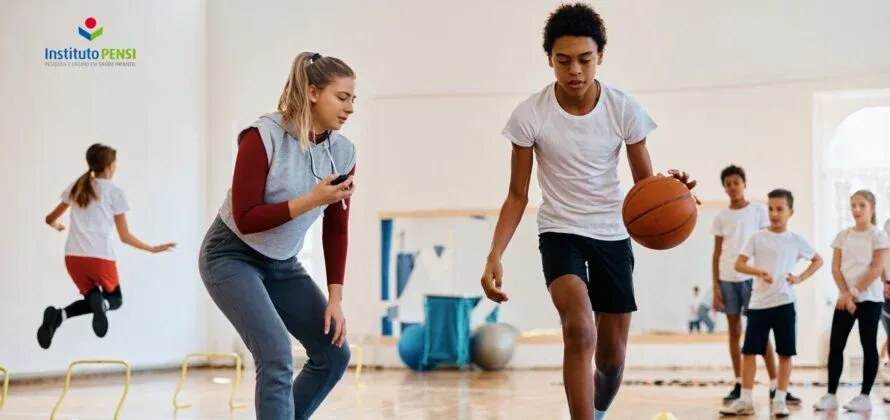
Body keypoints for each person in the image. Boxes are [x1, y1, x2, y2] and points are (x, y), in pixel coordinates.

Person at [478, 4, 697, 419]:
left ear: (601, 56)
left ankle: (596, 412)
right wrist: (495, 254)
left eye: (584, 59)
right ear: (549, 60)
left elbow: (645, 187)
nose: (574, 70)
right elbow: (517, 194)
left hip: (613, 232)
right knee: (579, 329)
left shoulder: (623, 109)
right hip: (560, 231)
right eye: (563, 61)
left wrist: (674, 191)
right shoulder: (530, 115)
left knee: (612, 359)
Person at [198, 51, 356, 419]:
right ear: (314, 93)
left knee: (333, 353)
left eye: (353, 99)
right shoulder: (262, 136)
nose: (350, 108)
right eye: (342, 97)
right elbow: (247, 217)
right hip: (231, 255)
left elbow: (337, 226)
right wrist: (311, 199)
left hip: (282, 263)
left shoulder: (344, 152)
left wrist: (336, 297)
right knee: (275, 353)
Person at [37, 143, 176, 349]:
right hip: (100, 258)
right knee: (115, 300)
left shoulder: (77, 186)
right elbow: (125, 236)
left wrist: (58, 227)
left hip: (73, 258)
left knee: (93, 295)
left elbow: (50, 218)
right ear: (110, 166)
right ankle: (100, 304)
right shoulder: (115, 192)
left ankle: (58, 316)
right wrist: (152, 248)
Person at [719, 189, 823, 417]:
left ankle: (780, 400)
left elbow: (818, 260)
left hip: (785, 304)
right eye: (771, 209)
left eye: (779, 209)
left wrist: (799, 278)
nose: (774, 214)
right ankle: (745, 400)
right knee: (749, 353)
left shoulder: (796, 240)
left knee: (785, 354)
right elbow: (739, 264)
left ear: (790, 212)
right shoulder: (757, 237)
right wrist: (758, 271)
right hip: (758, 305)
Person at [711, 165, 792, 404]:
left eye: (736, 182)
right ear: (724, 188)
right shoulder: (721, 217)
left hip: (752, 278)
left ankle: (775, 383)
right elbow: (716, 254)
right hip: (728, 278)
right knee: (734, 331)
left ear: (744, 184)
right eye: (728, 184)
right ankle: (739, 382)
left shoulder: (758, 211)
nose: (732, 187)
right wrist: (715, 286)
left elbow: (769, 241)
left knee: (760, 330)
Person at [813, 190, 889, 413]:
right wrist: (845, 295)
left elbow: (876, 269)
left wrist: (853, 293)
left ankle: (864, 396)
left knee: (868, 346)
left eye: (861, 205)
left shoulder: (879, 236)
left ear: (871, 208)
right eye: (853, 205)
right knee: (836, 345)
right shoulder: (843, 236)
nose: (856, 210)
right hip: (845, 300)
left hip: (870, 299)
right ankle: (831, 395)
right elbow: (835, 268)